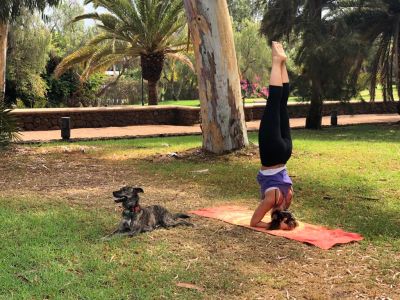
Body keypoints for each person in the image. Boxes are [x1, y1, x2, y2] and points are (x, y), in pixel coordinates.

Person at [250, 42, 295, 230]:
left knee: (282, 103)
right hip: (271, 153)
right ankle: (277, 62)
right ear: (276, 217)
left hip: (285, 154)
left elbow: (278, 214)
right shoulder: (272, 199)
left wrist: (280, 221)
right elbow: (254, 223)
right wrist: (271, 226)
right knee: (274, 102)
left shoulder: (287, 197)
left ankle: (282, 64)